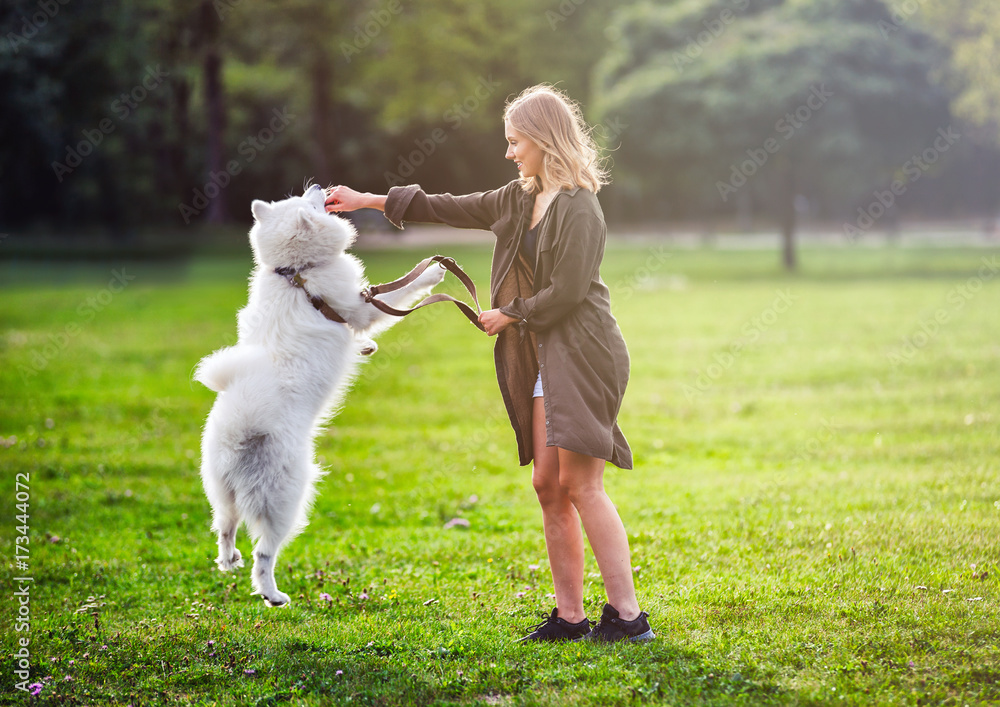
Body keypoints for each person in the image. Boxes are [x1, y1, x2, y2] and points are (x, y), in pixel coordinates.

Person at [325, 84, 653, 643]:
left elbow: (570, 289)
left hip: (583, 348)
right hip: (542, 349)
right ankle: (570, 618)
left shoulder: (580, 206)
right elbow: (445, 205)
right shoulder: (516, 199)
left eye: (515, 141)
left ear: (544, 139)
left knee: (581, 483)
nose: (509, 153)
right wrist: (367, 200)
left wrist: (511, 314)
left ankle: (628, 617)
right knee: (548, 484)